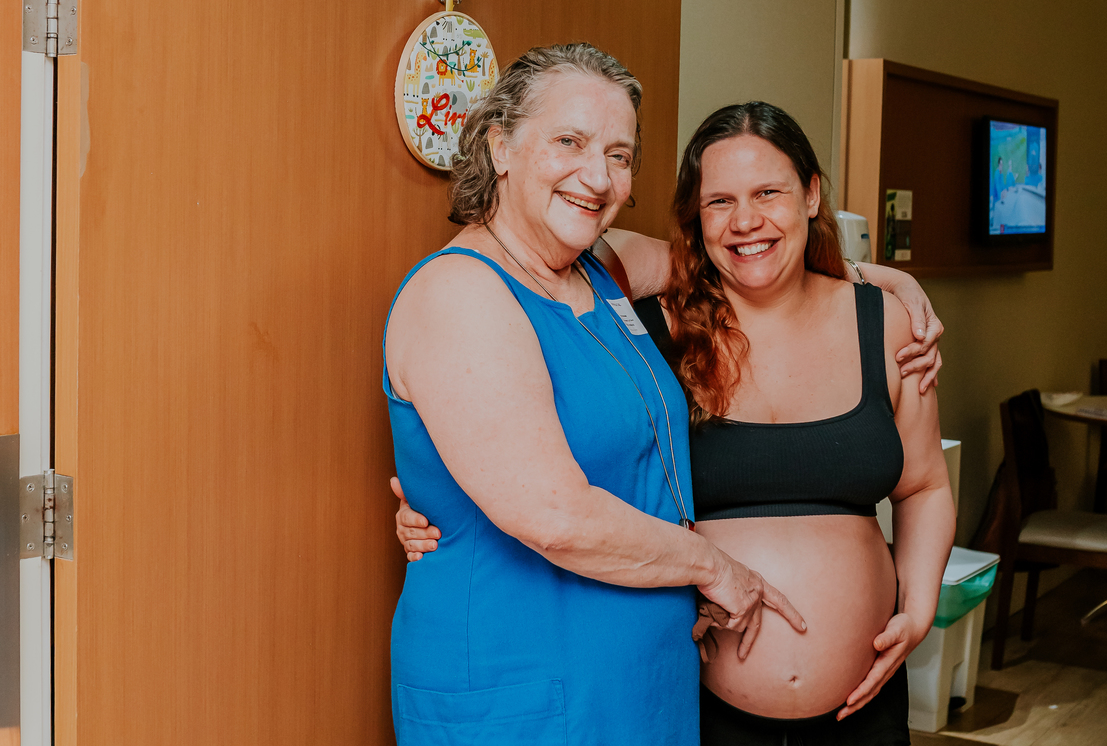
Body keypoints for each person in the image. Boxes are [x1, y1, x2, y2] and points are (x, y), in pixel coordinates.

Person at [386, 44, 945, 745]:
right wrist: (716, 569)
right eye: (569, 142)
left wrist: (876, 277)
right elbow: (552, 514)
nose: (597, 176)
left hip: (645, 690)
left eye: (618, 155)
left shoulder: (600, 275)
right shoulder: (462, 292)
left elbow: (745, 258)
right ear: (500, 147)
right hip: (525, 690)